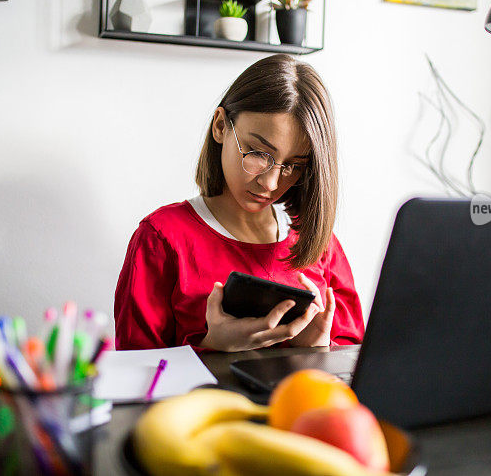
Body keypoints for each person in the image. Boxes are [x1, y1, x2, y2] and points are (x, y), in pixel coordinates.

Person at [114, 54, 365, 352]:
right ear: (220, 126)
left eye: (293, 166)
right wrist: (212, 347)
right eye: (259, 153)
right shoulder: (162, 239)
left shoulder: (317, 241)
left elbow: (355, 358)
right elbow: (136, 372)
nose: (271, 184)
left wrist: (317, 348)